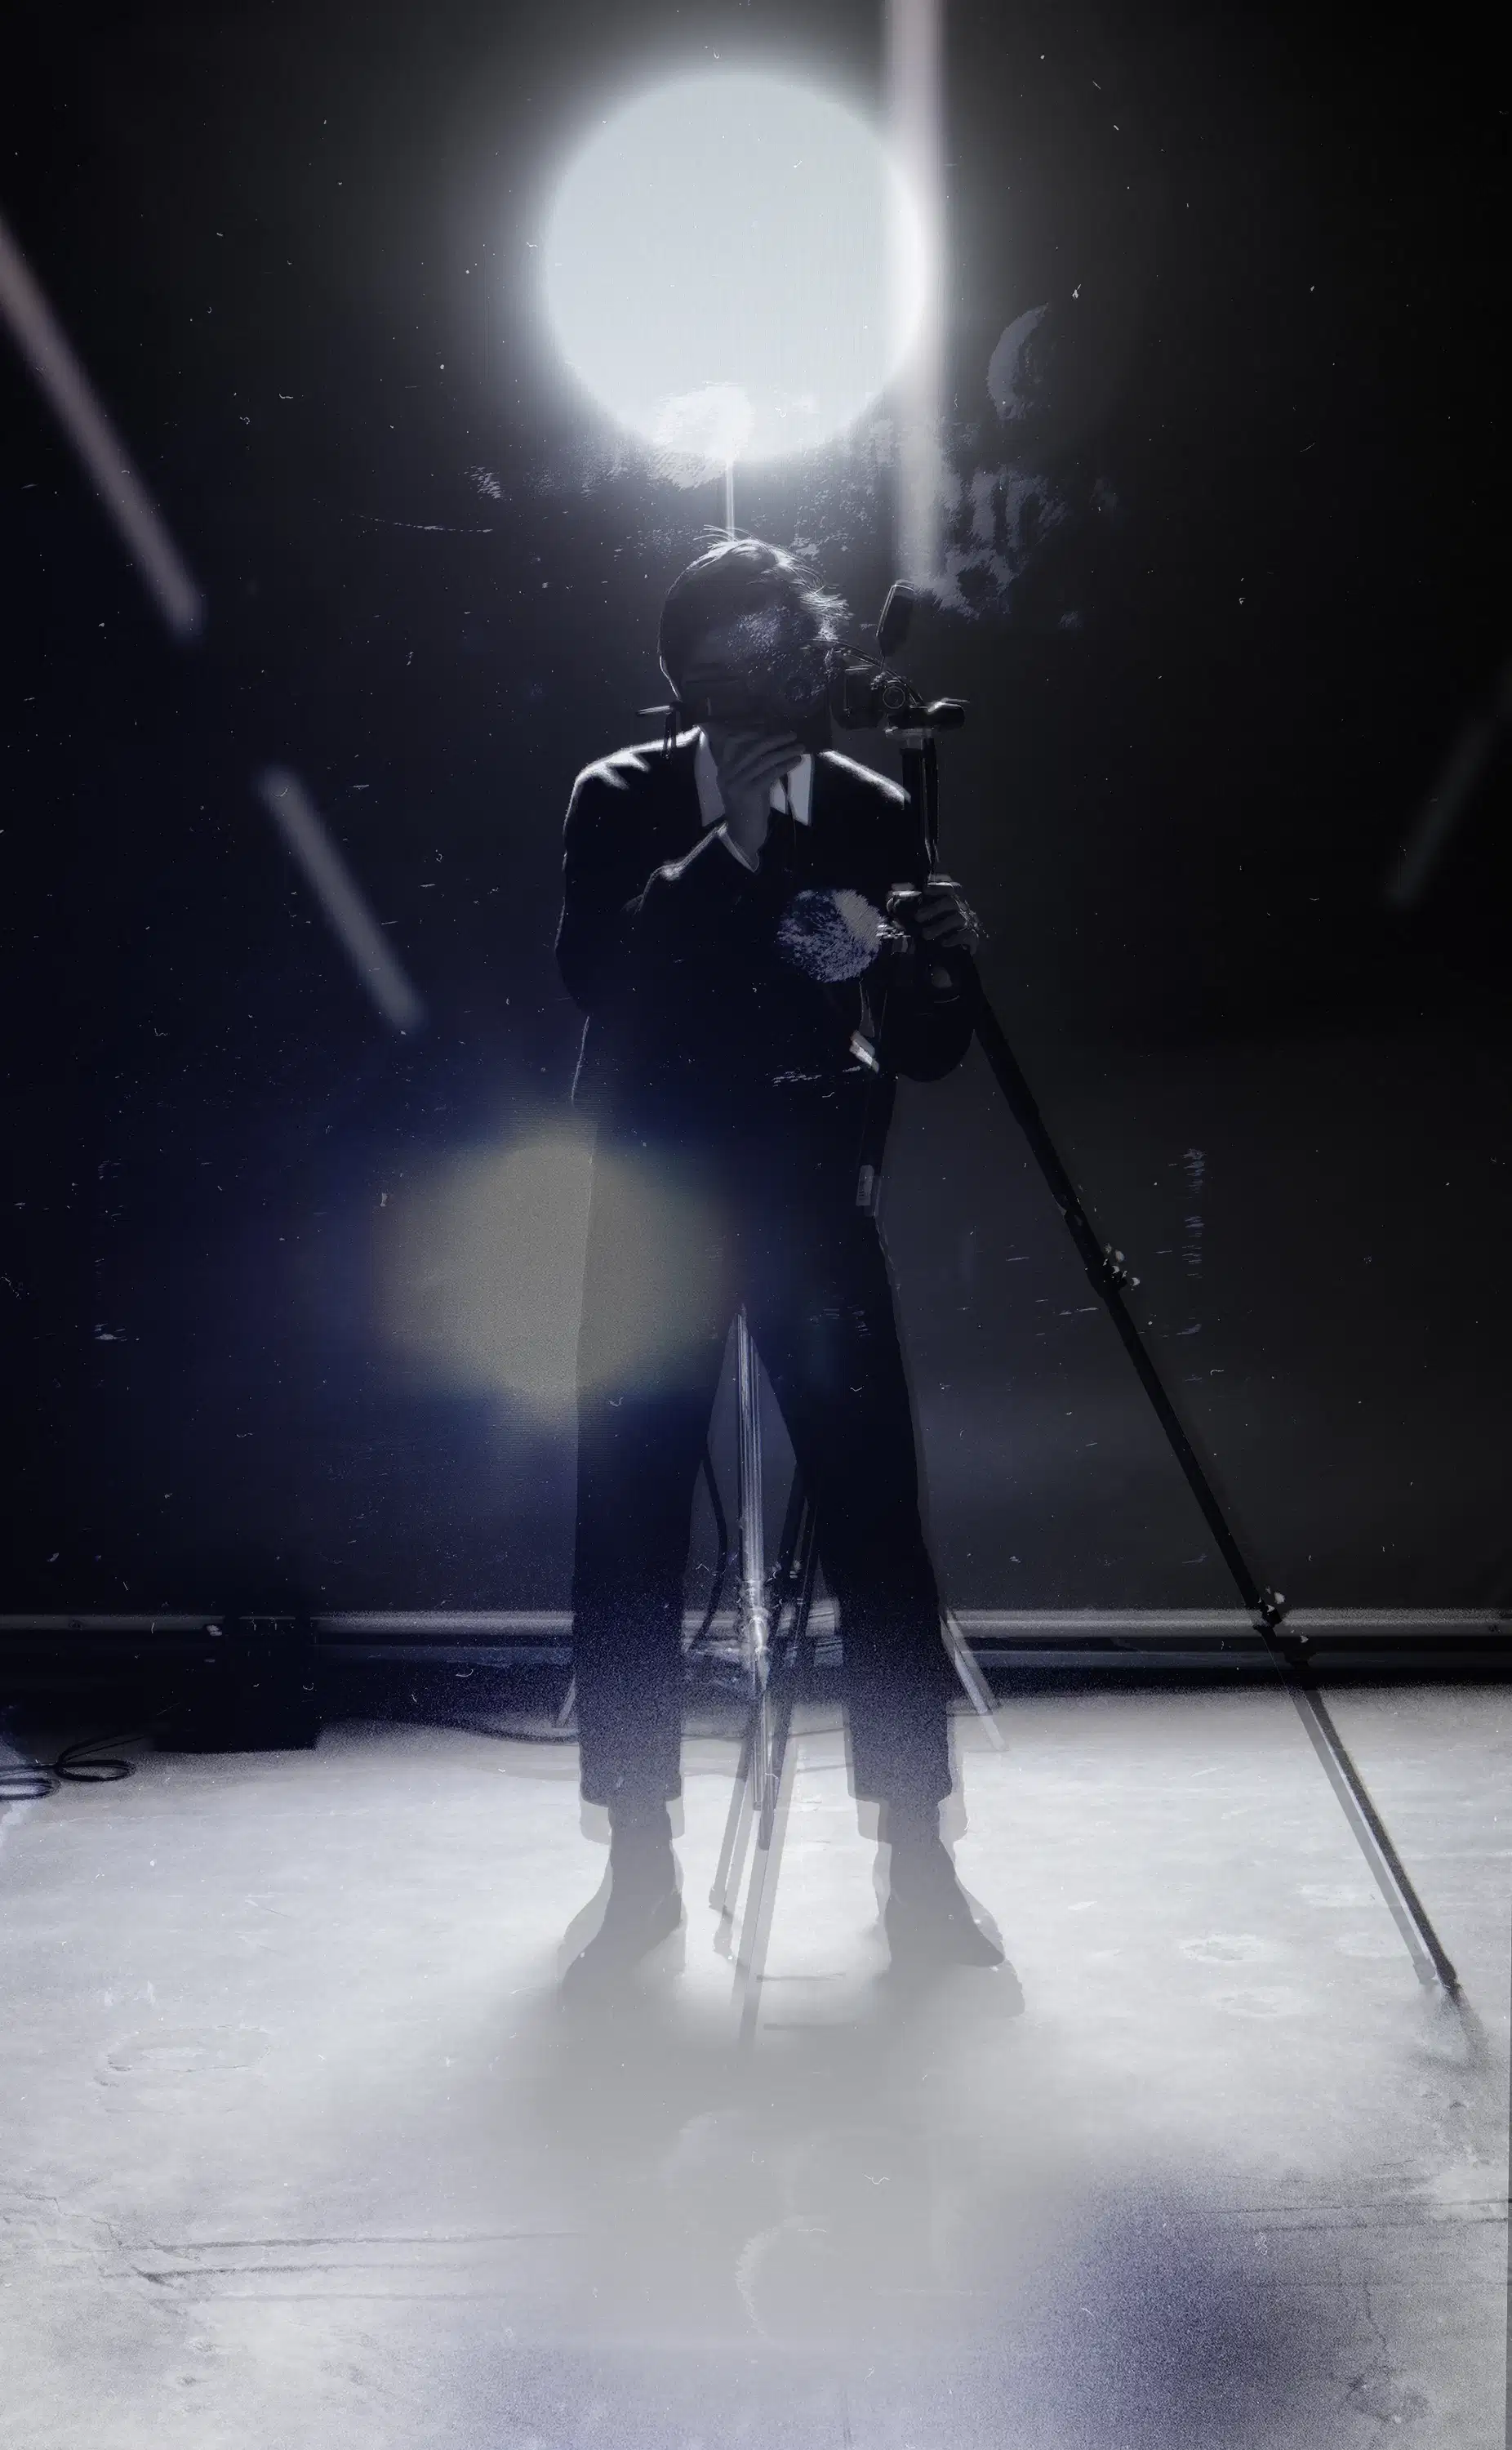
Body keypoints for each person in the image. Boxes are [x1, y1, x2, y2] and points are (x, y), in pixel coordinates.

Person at [555, 537, 1002, 1993]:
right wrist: (723, 855)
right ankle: (637, 1856)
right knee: (626, 1518)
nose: (776, 683)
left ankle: (917, 1852)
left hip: (810, 1201)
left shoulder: (870, 811)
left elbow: (915, 1047)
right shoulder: (619, 800)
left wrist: (943, 962)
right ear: (690, 674)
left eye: (788, 657)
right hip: (654, 1210)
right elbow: (597, 983)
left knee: (877, 1512)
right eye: (739, 661)